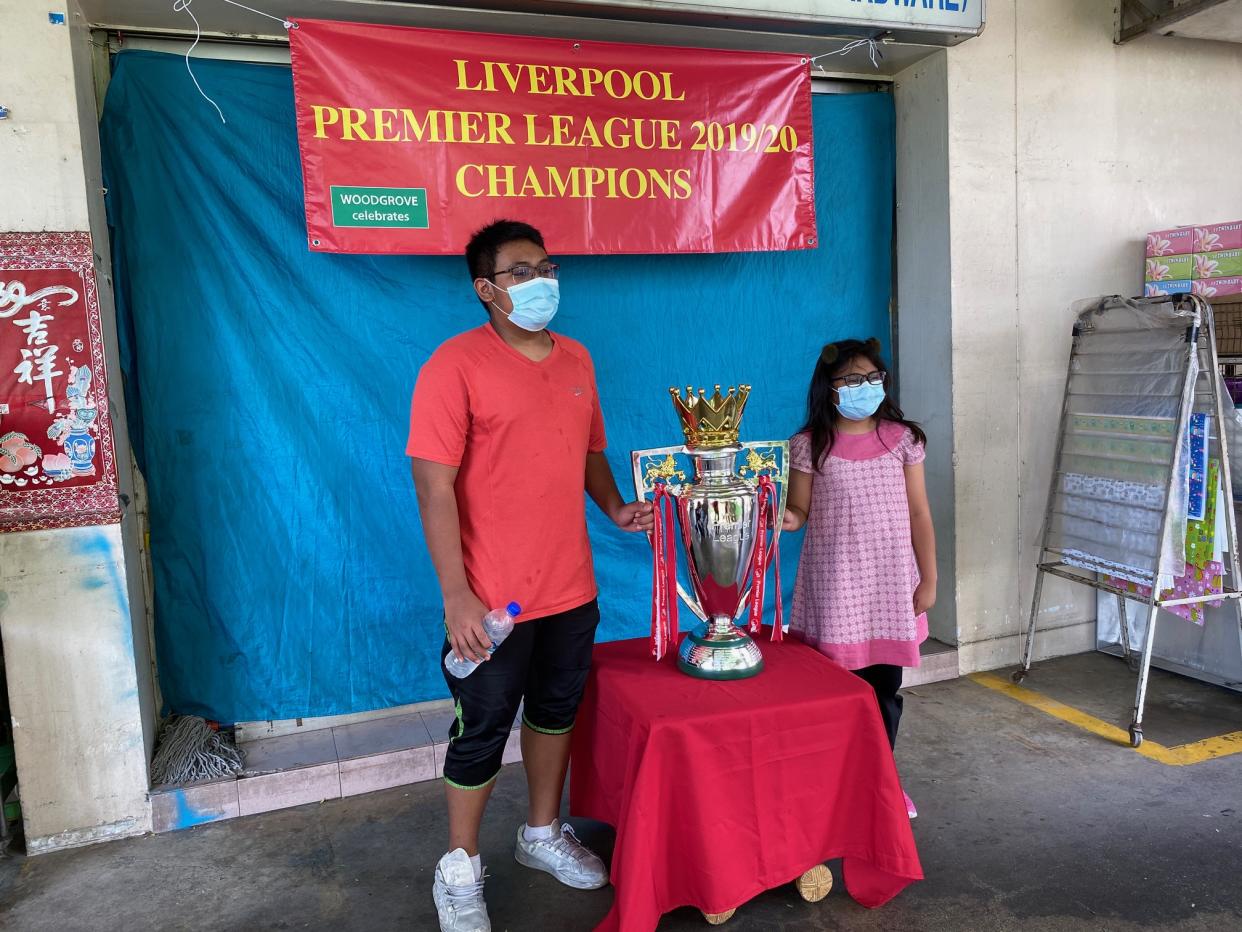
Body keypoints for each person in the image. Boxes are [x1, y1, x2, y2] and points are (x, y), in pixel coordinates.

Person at [407, 219, 653, 932]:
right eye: (520, 272)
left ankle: (541, 834)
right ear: (485, 290)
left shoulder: (576, 359)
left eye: (546, 267)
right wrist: (457, 594)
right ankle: (459, 866)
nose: (542, 281)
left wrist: (612, 507)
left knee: (555, 714)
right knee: (481, 727)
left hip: (571, 588)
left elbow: (587, 448)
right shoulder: (453, 367)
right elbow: (433, 487)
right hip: (491, 601)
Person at [781, 337, 936, 820]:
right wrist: (774, 514)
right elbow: (799, 511)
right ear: (828, 389)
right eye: (850, 379)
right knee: (835, 695)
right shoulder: (809, 445)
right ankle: (831, 784)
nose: (863, 387)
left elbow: (919, 512)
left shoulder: (902, 439)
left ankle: (882, 781)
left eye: (871, 378)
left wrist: (928, 580)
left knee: (883, 693)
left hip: (890, 589)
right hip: (836, 588)